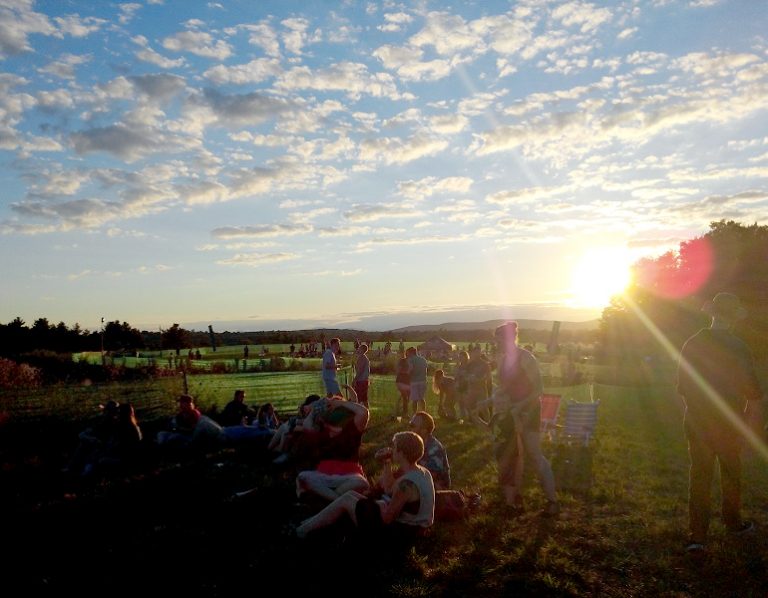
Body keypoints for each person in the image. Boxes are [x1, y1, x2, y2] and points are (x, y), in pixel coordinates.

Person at [677, 292, 764, 553]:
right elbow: (754, 394)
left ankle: (697, 537)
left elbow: (683, 388)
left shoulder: (691, 343)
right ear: (733, 318)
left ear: (713, 314)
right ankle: (733, 523)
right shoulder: (739, 348)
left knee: (700, 476)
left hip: (697, 422)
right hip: (728, 424)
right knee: (731, 475)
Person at [475, 321, 558, 517]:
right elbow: (504, 390)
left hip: (528, 412)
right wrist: (486, 401)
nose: (497, 344)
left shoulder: (526, 358)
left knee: (535, 455)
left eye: (499, 340)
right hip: (510, 415)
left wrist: (520, 407)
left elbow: (539, 390)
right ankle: (515, 497)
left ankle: (553, 500)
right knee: (514, 457)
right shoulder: (503, 360)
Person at [295, 431, 435, 540]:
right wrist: (386, 462)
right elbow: (388, 488)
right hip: (412, 526)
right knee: (351, 496)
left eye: (394, 447)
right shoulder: (420, 471)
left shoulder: (406, 485)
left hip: (403, 533)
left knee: (347, 500)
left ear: (401, 453)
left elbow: (387, 518)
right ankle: (309, 524)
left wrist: (381, 505)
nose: (392, 450)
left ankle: (302, 530)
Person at [296, 389, 370, 503]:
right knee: (302, 477)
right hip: (324, 476)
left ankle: (326, 498)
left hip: (349, 476)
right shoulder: (322, 431)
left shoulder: (351, 429)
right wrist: (314, 410)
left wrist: (339, 403)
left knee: (361, 483)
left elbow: (363, 412)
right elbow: (306, 425)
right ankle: (339, 500)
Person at [408, 411, 451, 490]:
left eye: (413, 426)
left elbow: (429, 476)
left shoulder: (435, 449)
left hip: (436, 490)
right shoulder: (416, 444)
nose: (410, 429)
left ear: (424, 430)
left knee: (404, 486)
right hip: (420, 483)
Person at [406, 346, 428, 414]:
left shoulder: (410, 360)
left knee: (415, 400)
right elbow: (426, 371)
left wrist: (406, 376)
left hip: (414, 381)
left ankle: (415, 414)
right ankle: (424, 413)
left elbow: (410, 369)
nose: (407, 355)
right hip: (423, 380)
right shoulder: (423, 359)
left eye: (408, 353)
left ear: (411, 353)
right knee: (422, 398)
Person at [353, 343, 371, 408]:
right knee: (364, 398)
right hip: (364, 380)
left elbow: (360, 371)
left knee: (359, 398)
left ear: (362, 350)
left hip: (362, 381)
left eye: (359, 348)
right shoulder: (363, 358)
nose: (358, 349)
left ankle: (359, 411)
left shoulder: (362, 358)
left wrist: (355, 379)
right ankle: (366, 412)